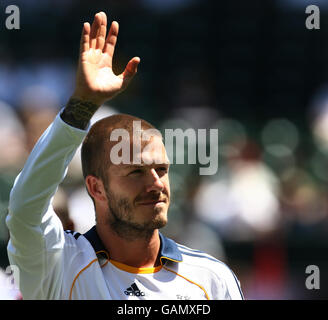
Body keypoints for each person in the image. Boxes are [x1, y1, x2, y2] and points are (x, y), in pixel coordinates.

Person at [6, 11, 243, 300]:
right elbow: (25, 208)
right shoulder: (59, 267)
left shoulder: (212, 279)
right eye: (136, 172)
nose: (157, 183)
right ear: (96, 187)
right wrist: (81, 106)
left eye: (162, 170)